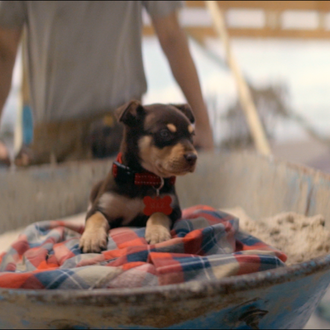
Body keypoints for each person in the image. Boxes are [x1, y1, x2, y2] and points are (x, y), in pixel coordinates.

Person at [0, 1, 214, 166]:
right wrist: (202, 125)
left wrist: (203, 124)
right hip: (75, 143)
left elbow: (5, 50)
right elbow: (171, 35)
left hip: (117, 138)